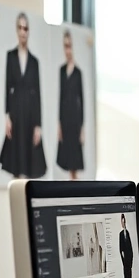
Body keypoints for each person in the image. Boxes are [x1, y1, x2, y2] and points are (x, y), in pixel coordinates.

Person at [0, 12, 46, 180]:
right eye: (20, 27)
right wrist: (7, 118)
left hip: (30, 114)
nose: (22, 32)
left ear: (29, 31)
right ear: (16, 30)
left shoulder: (34, 62)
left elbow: (38, 94)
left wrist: (38, 125)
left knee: (29, 161)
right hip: (15, 112)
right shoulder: (10, 57)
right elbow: (7, 87)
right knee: (15, 162)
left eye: (25, 28)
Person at [57, 30, 85, 179]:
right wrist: (59, 123)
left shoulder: (78, 73)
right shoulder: (61, 71)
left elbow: (82, 101)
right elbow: (60, 98)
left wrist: (82, 128)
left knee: (75, 160)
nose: (67, 50)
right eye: (65, 46)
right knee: (66, 159)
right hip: (65, 119)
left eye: (69, 46)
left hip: (75, 120)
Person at [119, 214, 134, 278]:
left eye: (124, 221)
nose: (124, 223)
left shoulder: (127, 233)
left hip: (129, 262)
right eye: (122, 222)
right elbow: (120, 249)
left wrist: (131, 261)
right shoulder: (121, 234)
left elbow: (131, 249)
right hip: (125, 264)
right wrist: (124, 261)